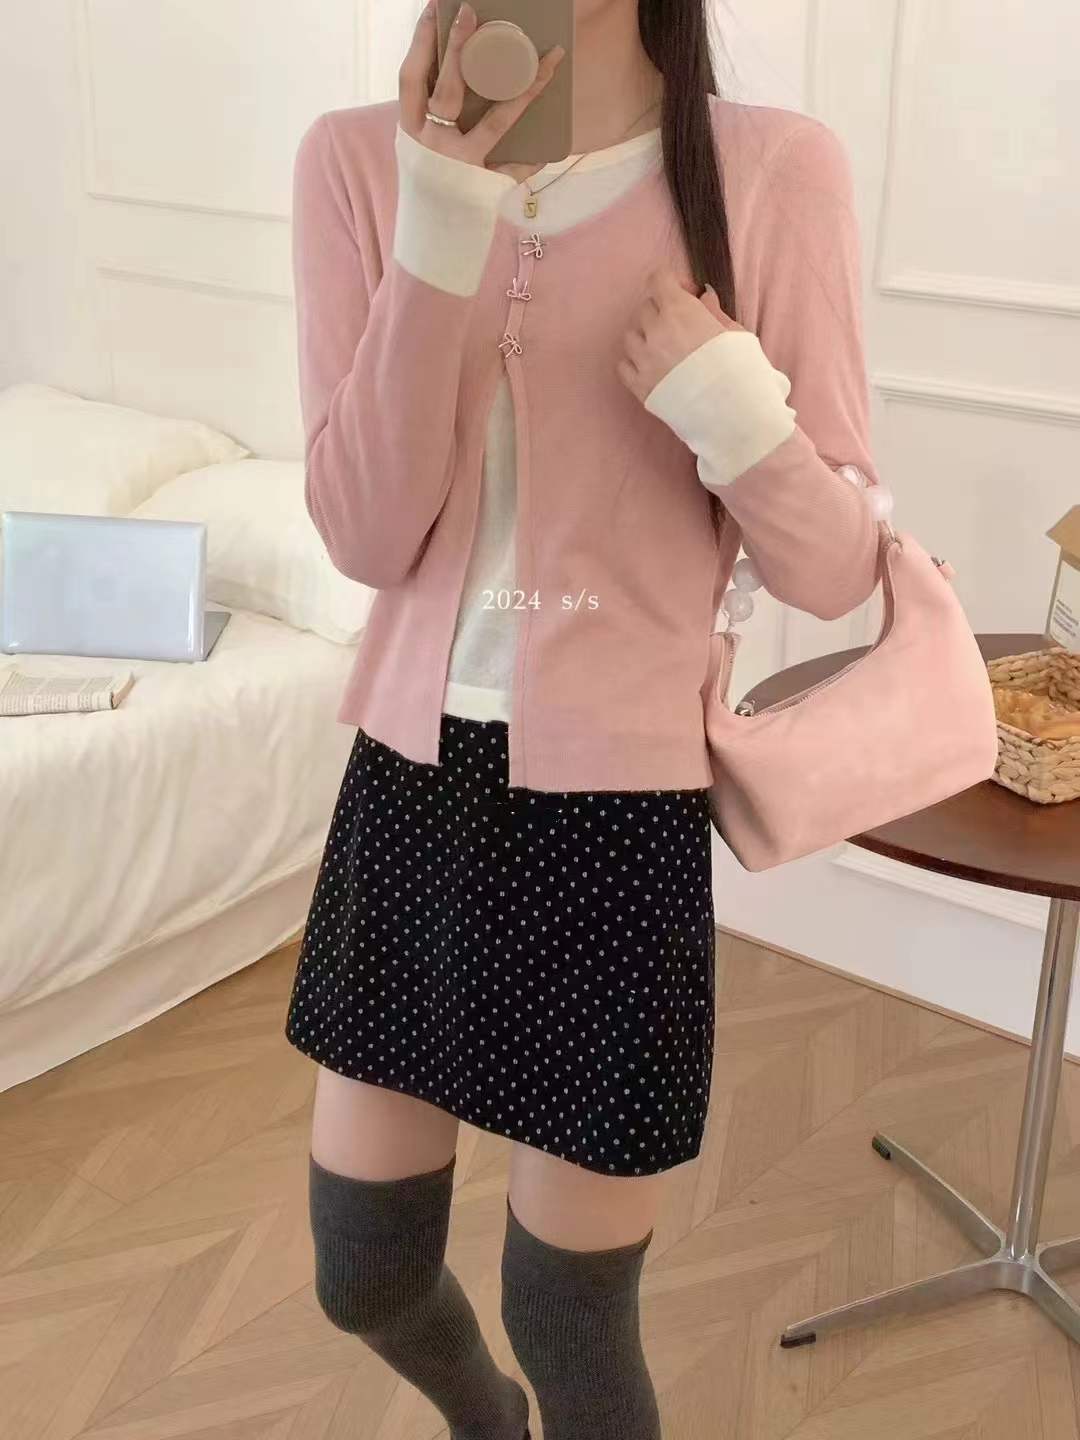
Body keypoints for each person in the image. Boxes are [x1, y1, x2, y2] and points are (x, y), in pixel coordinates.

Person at [284, 1, 882, 1436]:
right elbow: (366, 534)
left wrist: (733, 409)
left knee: (569, 1320)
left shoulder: (770, 170)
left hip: (619, 816)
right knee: (364, 1276)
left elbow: (835, 569)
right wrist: (443, 214)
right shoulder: (355, 162)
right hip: (412, 785)